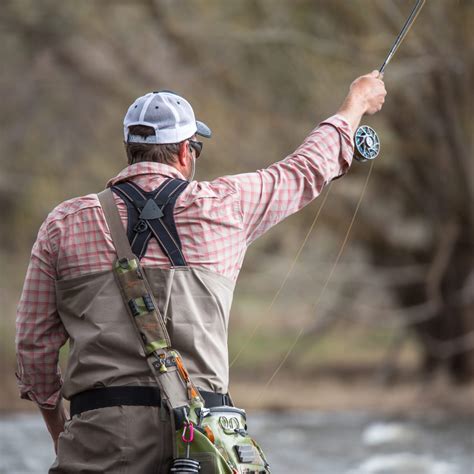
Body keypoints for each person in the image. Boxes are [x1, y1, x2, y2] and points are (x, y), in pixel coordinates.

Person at [16, 71, 386, 472]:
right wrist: (355, 105)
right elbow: (304, 169)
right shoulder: (226, 205)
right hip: (204, 443)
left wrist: (63, 434)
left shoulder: (63, 223)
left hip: (102, 438)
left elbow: (33, 347)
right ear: (184, 153)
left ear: (129, 150)